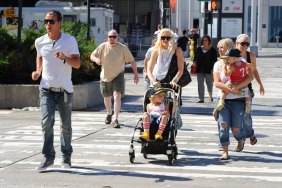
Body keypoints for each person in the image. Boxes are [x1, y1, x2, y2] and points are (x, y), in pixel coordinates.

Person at [31, 10, 81, 170]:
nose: (48, 24)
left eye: (51, 21)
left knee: (65, 125)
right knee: (46, 123)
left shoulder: (69, 40)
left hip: (65, 90)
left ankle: (66, 157)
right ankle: (48, 157)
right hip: (46, 89)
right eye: (46, 21)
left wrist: (65, 58)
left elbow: (78, 63)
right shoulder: (40, 41)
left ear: (60, 23)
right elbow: (39, 57)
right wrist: (38, 71)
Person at [90, 29, 139, 128]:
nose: (112, 39)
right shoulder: (103, 46)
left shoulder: (123, 48)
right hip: (105, 76)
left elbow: (132, 61)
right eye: (110, 37)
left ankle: (115, 118)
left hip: (118, 75)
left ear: (118, 38)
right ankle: (109, 113)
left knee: (117, 96)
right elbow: (92, 55)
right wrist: (96, 60)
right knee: (107, 98)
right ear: (107, 38)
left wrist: (136, 74)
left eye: (114, 37)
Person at [213, 40, 253, 160]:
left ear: (230, 49)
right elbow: (216, 83)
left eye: (222, 47)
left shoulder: (241, 62)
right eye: (219, 48)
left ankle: (240, 139)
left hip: (238, 100)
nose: (220, 50)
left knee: (236, 129)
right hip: (223, 100)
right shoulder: (218, 64)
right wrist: (230, 89)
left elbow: (250, 77)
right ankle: (225, 151)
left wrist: (237, 88)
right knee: (223, 126)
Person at [235, 34, 265, 146]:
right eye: (242, 43)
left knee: (246, 115)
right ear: (237, 43)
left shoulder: (251, 56)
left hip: (247, 90)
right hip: (233, 91)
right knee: (236, 116)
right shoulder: (232, 55)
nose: (245, 46)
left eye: (247, 44)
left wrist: (260, 85)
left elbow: (255, 71)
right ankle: (242, 138)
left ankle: (249, 135)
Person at [214, 48, 252, 117]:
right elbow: (249, 65)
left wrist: (225, 67)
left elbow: (227, 74)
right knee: (247, 93)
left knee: (224, 91)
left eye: (228, 59)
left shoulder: (232, 66)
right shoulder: (243, 63)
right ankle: (248, 104)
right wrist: (249, 68)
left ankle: (221, 101)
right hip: (242, 81)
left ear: (234, 59)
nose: (227, 60)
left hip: (233, 82)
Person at [193, 35, 218, 103]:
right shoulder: (199, 49)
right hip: (199, 69)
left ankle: (210, 96)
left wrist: (213, 69)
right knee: (200, 84)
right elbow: (195, 58)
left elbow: (215, 61)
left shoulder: (213, 50)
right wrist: (194, 63)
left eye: (206, 40)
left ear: (209, 41)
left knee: (209, 84)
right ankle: (201, 99)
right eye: (203, 40)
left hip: (209, 70)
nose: (204, 41)